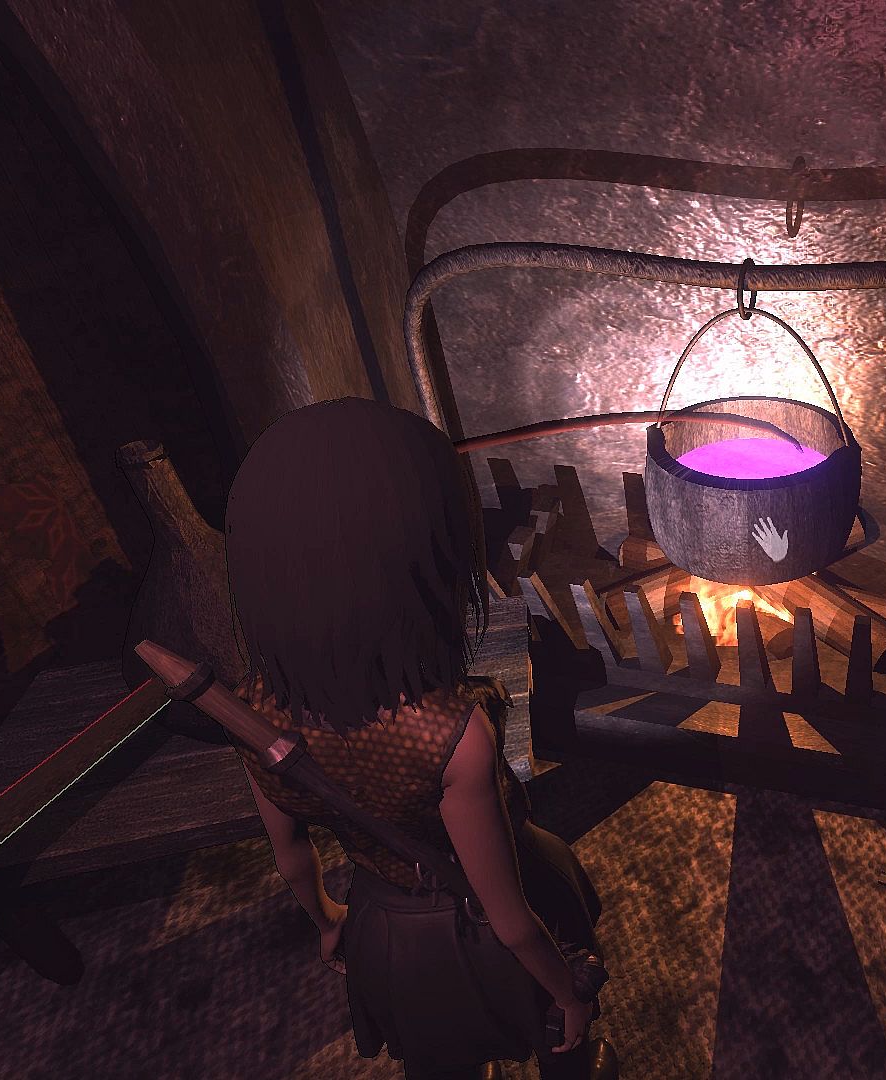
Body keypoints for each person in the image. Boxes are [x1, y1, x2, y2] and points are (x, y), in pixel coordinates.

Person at [222, 397, 616, 1080]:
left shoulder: (255, 709)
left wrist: (328, 922)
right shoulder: (449, 734)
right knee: (554, 1028)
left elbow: (291, 857)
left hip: (384, 922)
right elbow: (511, 920)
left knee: (435, 1053)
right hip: (474, 923)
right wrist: (567, 994)